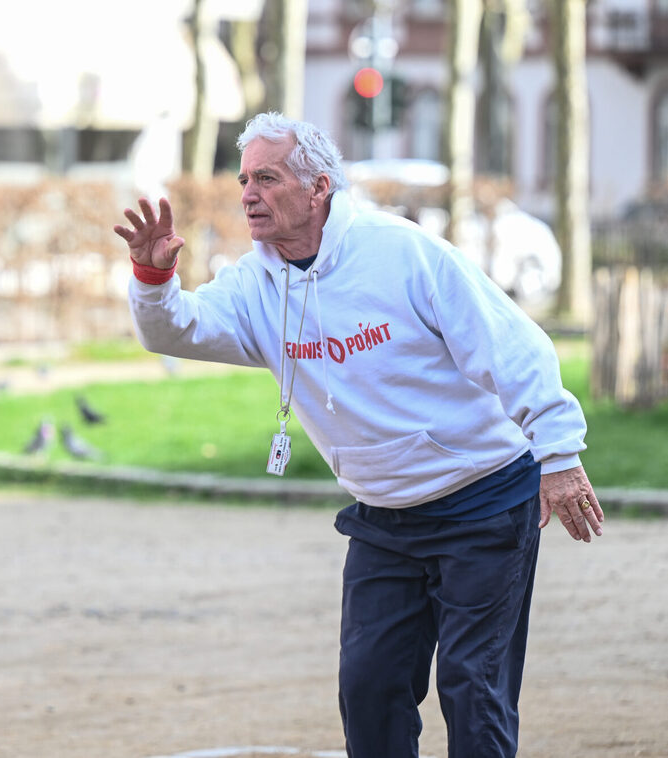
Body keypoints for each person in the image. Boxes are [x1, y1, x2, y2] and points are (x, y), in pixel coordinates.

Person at [113, 112, 603, 758]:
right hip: (384, 519)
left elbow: (512, 347)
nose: (248, 194)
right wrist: (153, 281)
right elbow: (178, 330)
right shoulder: (256, 282)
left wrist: (557, 451)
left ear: (317, 187)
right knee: (367, 688)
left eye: (267, 177)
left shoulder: (401, 253)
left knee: (470, 686)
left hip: (483, 500)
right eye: (243, 179)